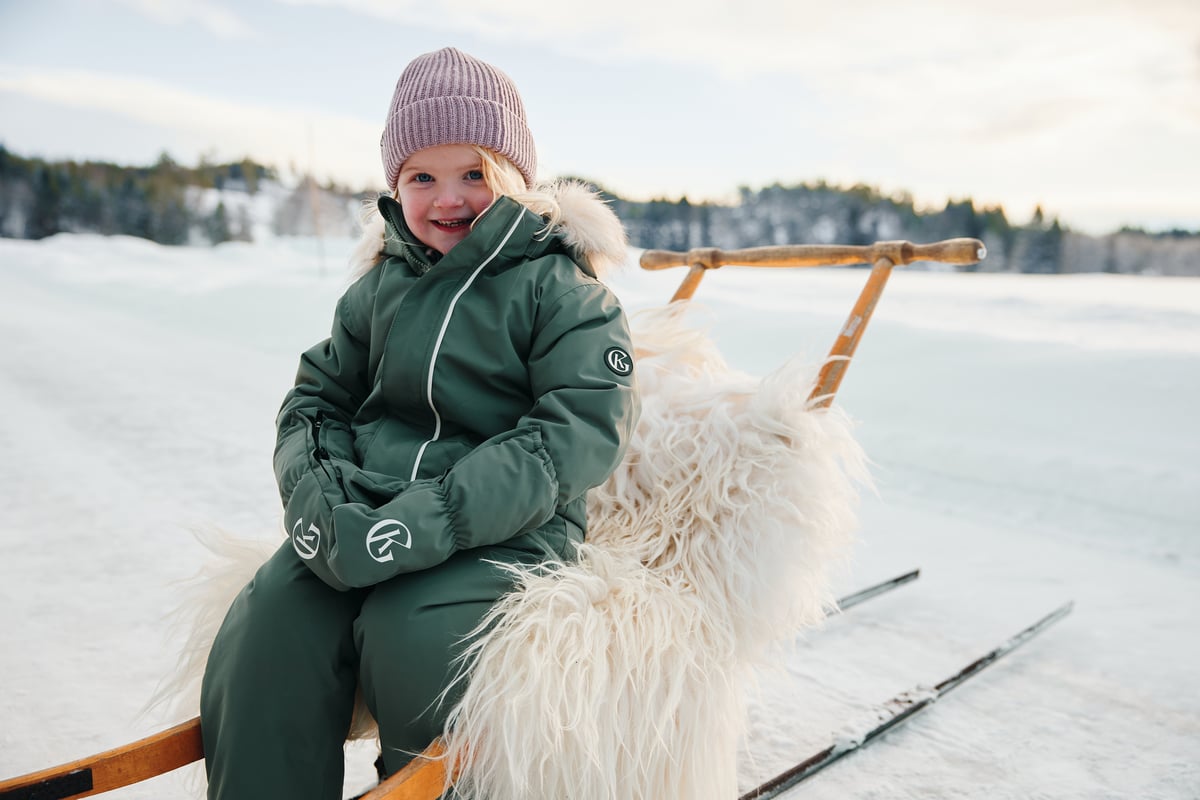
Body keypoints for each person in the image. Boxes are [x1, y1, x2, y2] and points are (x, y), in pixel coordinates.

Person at [199, 46, 640, 799]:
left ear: (513, 178)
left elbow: (571, 435)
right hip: (363, 515)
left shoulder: (561, 288)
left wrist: (426, 519)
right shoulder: (381, 287)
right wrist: (320, 501)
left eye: (474, 173)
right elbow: (316, 402)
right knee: (267, 629)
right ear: (395, 185)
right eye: (421, 177)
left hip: (506, 530)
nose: (449, 199)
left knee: (416, 640)